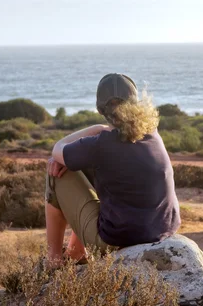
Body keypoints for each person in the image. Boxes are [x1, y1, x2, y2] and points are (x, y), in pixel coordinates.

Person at [45, 73, 181, 267]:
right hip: (164, 228)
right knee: (85, 167)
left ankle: (53, 260)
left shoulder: (103, 143)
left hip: (117, 240)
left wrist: (98, 128)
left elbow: (58, 148)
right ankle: (76, 252)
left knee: (56, 173)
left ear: (101, 109)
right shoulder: (152, 132)